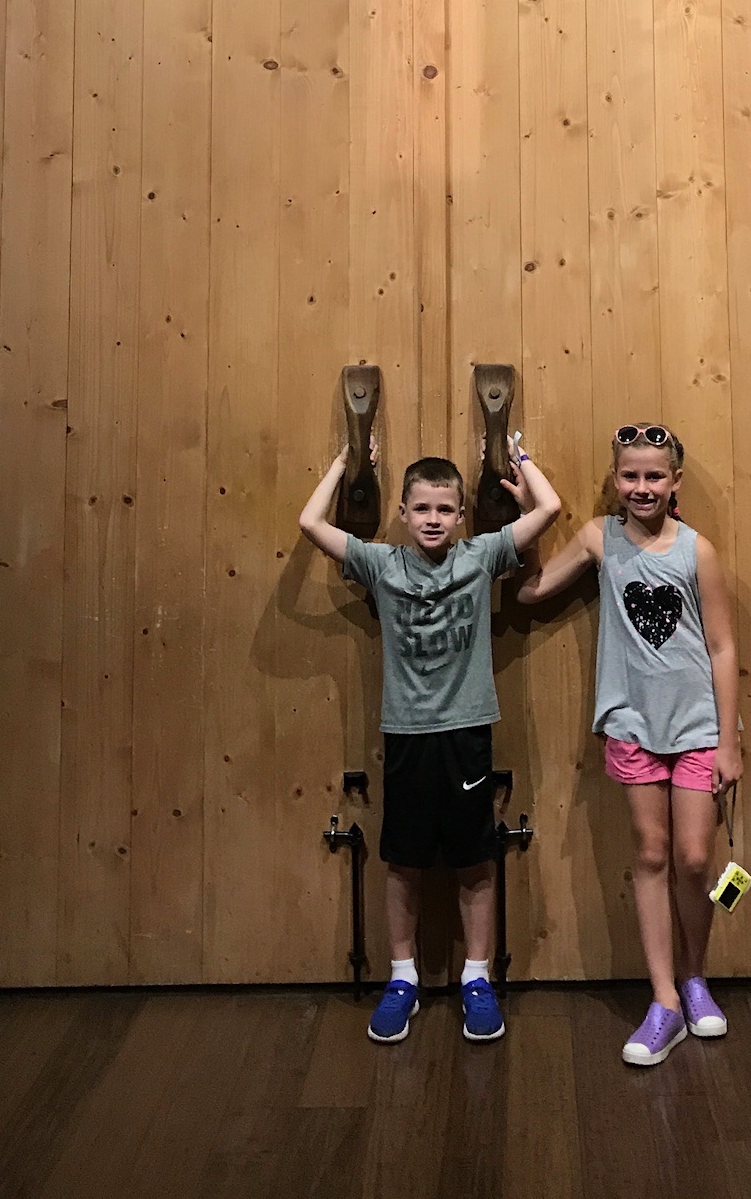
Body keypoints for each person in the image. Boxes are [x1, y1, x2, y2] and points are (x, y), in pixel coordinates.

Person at [298, 432, 561, 1045]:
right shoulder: (380, 563)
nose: (433, 519)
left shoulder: (482, 556)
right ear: (403, 512)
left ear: (462, 515)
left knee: (474, 859)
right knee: (405, 861)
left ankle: (476, 978)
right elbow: (310, 522)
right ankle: (402, 978)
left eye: (445, 508)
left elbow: (549, 509)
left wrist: (519, 460)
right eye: (421, 508)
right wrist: (345, 462)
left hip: (467, 733)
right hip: (408, 735)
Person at [515, 423, 741, 1066]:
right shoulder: (598, 538)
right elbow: (532, 589)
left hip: (698, 727)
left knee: (694, 858)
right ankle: (664, 999)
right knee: (650, 851)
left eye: (654, 476)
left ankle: (695, 979)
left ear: (675, 481)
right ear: (615, 480)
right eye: (630, 475)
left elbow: (723, 647)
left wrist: (729, 740)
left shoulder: (697, 551)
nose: (642, 487)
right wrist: (526, 516)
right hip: (631, 724)